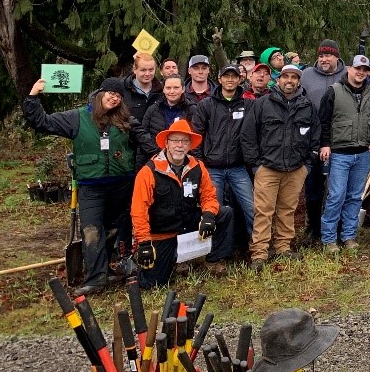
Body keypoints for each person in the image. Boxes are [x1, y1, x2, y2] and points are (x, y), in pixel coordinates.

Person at [24, 76, 139, 296]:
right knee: (91, 229)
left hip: (121, 184)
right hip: (91, 186)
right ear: (99, 95)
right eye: (110, 94)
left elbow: (139, 144)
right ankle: (95, 279)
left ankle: (106, 270)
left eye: (118, 96)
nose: (114, 98)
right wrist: (33, 96)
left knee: (112, 230)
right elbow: (43, 123)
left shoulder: (124, 121)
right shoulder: (78, 118)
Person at [131, 119, 233, 287]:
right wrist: (143, 242)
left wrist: (208, 216)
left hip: (187, 224)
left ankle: (214, 260)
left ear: (190, 145)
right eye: (175, 141)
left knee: (225, 213)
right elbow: (138, 210)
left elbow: (209, 196)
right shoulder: (149, 171)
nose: (180, 145)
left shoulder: (197, 166)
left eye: (184, 141)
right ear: (167, 143)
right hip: (162, 232)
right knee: (152, 284)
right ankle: (174, 261)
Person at [240, 64, 319, 267]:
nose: (290, 81)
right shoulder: (262, 104)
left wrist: (307, 164)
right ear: (278, 79)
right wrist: (256, 165)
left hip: (295, 168)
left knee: (287, 210)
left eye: (294, 77)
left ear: (298, 81)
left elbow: (315, 137)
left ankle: (283, 248)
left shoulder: (307, 106)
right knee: (263, 211)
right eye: (286, 76)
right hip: (268, 167)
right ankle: (259, 253)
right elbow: (248, 136)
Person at [317, 54, 370, 251]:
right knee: (336, 196)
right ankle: (329, 239)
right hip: (339, 153)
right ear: (349, 69)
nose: (360, 73)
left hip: (362, 154)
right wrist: (325, 144)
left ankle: (349, 236)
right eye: (357, 69)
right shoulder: (333, 91)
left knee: (355, 197)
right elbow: (323, 121)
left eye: (365, 70)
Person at [191, 63, 254, 248]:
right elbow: (197, 137)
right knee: (213, 210)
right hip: (212, 167)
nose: (230, 80)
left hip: (238, 167)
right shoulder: (206, 105)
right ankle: (215, 250)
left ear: (240, 79)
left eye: (234, 76)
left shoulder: (248, 104)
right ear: (219, 79)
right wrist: (200, 164)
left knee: (252, 208)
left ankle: (257, 245)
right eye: (226, 76)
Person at [301, 40, 347, 244]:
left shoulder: (348, 75)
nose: (324, 59)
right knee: (313, 188)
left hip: (340, 139)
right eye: (321, 56)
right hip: (312, 139)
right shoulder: (306, 76)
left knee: (337, 189)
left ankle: (336, 226)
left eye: (328, 55)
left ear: (336, 56)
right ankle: (313, 227)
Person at [138, 75, 194, 164]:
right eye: (168, 88)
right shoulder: (153, 110)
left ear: (183, 89)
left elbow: (196, 138)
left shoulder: (191, 110)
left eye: (176, 88)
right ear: (163, 89)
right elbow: (143, 137)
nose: (172, 91)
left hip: (183, 162)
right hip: (156, 160)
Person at [122, 52, 160, 123]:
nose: (147, 74)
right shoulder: (123, 89)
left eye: (151, 70)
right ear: (135, 69)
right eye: (143, 70)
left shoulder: (162, 91)